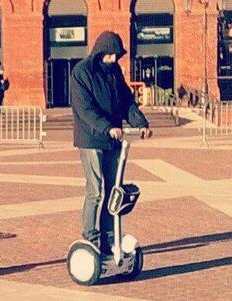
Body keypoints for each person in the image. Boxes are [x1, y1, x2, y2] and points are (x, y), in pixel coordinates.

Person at [70, 31, 152, 256]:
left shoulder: (115, 71)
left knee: (114, 190)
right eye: (109, 56)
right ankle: (90, 235)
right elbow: (84, 109)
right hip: (91, 138)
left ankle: (108, 235)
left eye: (116, 56)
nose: (113, 60)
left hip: (114, 139)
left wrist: (140, 123)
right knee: (95, 191)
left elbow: (126, 100)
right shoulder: (81, 73)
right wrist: (107, 127)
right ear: (99, 53)